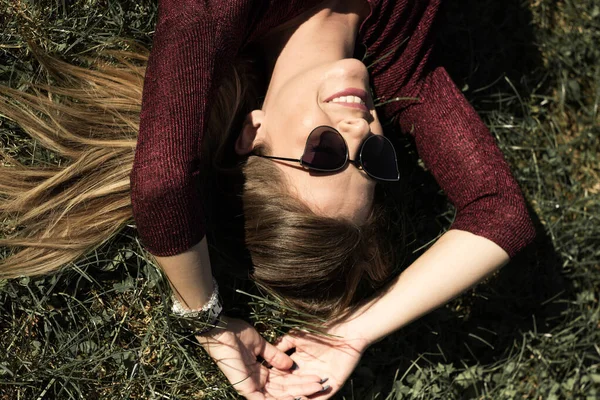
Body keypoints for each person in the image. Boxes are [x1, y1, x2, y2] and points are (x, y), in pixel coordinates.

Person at [0, 0, 536, 399]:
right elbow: (502, 213)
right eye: (373, 158)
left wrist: (205, 317)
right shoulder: (403, 58)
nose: (356, 129)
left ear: (251, 134)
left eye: (324, 154)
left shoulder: (218, 12)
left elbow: (162, 185)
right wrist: (353, 334)